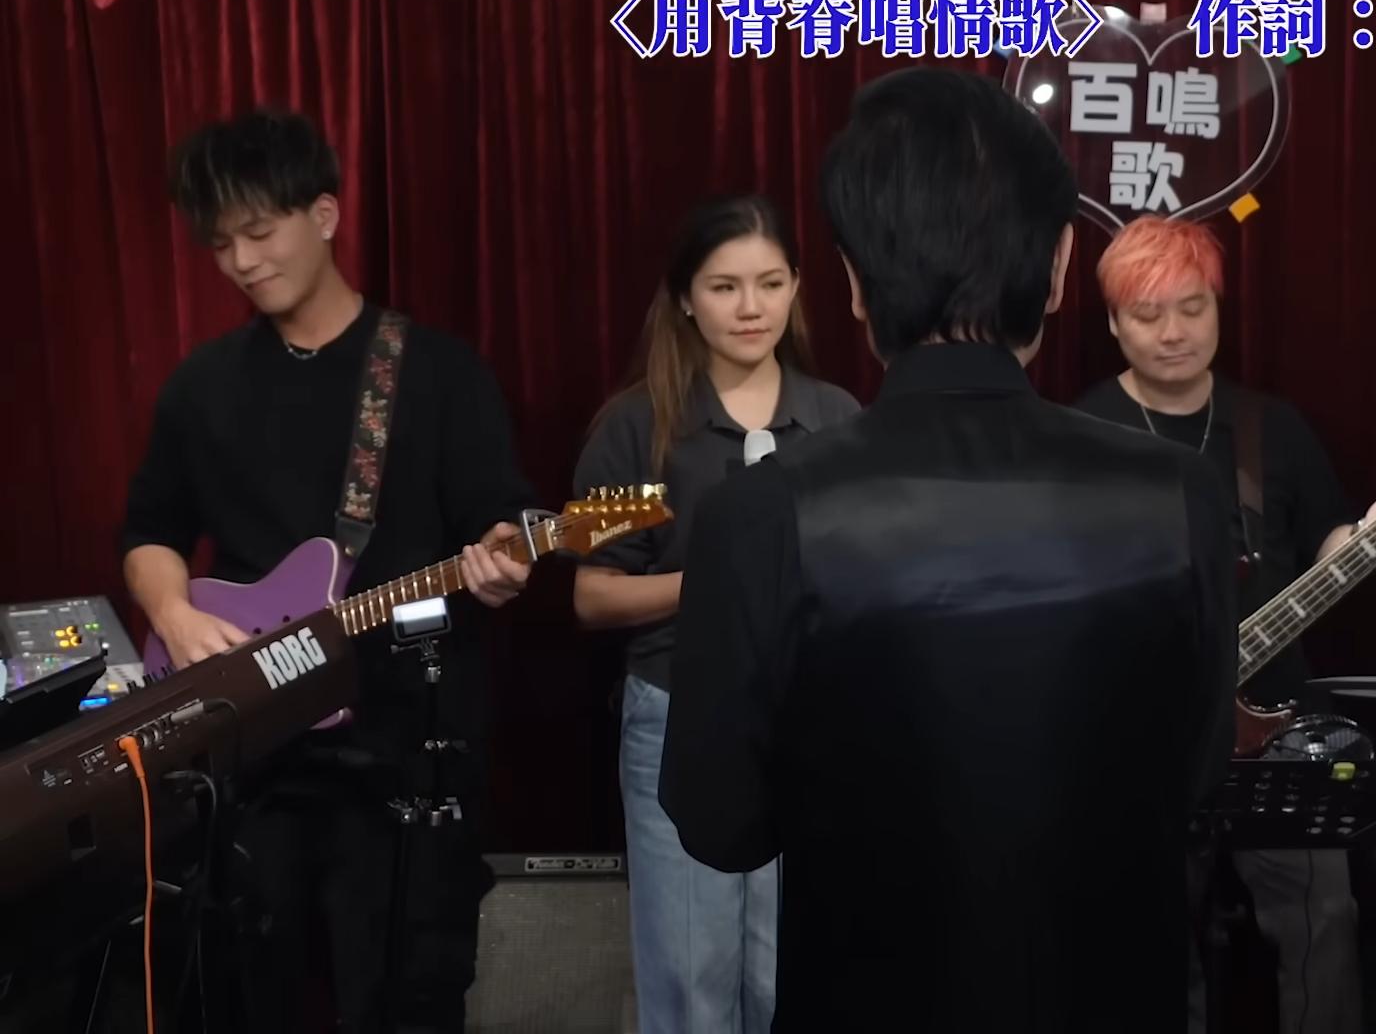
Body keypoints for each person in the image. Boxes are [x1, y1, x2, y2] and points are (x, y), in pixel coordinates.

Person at [657, 66, 1238, 1032]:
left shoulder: (757, 514)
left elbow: (720, 824)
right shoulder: (1182, 493)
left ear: (850, 281)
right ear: (1061, 265)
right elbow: (1198, 769)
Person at [123, 107, 535, 1032]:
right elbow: (149, 531)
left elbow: (502, 523)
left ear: (324, 214)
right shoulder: (201, 386)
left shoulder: (435, 374)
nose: (241, 261)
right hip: (250, 761)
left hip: (404, 761)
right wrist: (175, 616)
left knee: (404, 1001)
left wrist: (506, 562)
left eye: (259, 232)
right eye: (221, 244)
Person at [1073, 215, 1376, 1034]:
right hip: (1137, 739)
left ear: (1219, 308)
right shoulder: (1081, 433)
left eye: (1192, 308)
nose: (1174, 332)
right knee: (1151, 939)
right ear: (1114, 324)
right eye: (1148, 314)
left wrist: (1374, 538)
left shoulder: (1270, 426)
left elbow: (1328, 540)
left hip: (1279, 728)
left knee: (1324, 919)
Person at [570, 194, 859, 1034]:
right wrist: (719, 582)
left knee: (790, 973)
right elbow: (593, 593)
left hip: (811, 719)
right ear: (686, 299)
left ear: (797, 287)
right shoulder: (640, 425)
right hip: (677, 710)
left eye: (770, 283)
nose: (750, 307)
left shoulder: (838, 419)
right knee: (692, 975)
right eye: (725, 287)